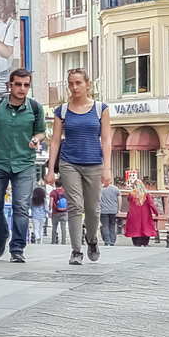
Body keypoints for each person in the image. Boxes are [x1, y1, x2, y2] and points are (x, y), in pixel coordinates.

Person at [0, 69, 45, 263]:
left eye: (26, 85)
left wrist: (36, 139)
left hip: (24, 164)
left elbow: (41, 132)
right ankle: (2, 233)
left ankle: (17, 248)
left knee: (21, 207)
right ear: (9, 85)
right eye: (18, 84)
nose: (22, 89)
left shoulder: (35, 108)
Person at [44, 68, 113, 266]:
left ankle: (92, 240)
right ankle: (76, 250)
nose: (74, 87)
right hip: (69, 162)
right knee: (75, 205)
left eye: (78, 83)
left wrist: (107, 167)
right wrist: (50, 170)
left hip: (94, 163)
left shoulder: (101, 108)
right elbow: (55, 141)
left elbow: (106, 139)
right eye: (71, 83)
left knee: (93, 208)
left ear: (87, 84)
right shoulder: (62, 111)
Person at [123, 180, 158, 247]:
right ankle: (145, 243)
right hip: (145, 214)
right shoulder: (146, 194)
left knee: (135, 228)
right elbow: (151, 204)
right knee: (146, 227)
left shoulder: (131, 194)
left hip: (134, 214)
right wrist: (156, 212)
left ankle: (136, 243)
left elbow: (129, 200)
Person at [99, 179, 120, 246]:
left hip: (103, 210)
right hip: (113, 210)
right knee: (112, 225)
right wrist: (118, 209)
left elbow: (97, 199)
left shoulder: (100, 189)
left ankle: (107, 241)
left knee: (105, 226)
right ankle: (112, 241)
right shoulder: (116, 189)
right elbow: (119, 199)